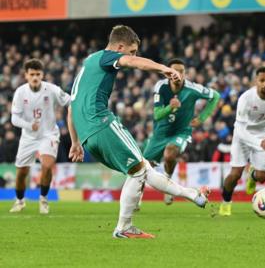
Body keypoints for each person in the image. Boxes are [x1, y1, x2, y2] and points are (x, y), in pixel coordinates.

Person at [68, 25, 210, 239]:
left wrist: (75, 142)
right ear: (120, 46)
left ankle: (193, 195)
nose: (133, 55)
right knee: (139, 171)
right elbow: (131, 62)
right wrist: (164, 69)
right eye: (132, 50)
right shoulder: (108, 56)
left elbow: (71, 107)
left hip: (88, 136)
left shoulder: (89, 63)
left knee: (142, 169)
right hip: (102, 123)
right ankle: (123, 227)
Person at [143, 58, 220, 205]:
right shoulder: (161, 87)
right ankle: (136, 201)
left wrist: (202, 117)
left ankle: (167, 182)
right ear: (168, 73)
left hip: (181, 132)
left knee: (170, 153)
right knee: (143, 168)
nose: (178, 74)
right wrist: (170, 107)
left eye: (181, 71)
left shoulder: (192, 89)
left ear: (185, 73)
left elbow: (215, 96)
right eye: (174, 71)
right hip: (160, 134)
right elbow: (157, 114)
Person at [219, 66, 265, 216]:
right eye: (262, 80)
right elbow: (240, 130)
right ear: (255, 81)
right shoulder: (246, 99)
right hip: (243, 136)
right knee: (235, 174)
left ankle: (252, 175)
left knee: (263, 177)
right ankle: (226, 203)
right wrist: (259, 144)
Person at [9, 59, 71, 214]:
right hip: (28, 137)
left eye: (38, 74)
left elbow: (70, 101)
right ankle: (20, 201)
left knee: (47, 165)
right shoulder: (20, 92)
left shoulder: (52, 89)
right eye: (32, 74)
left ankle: (43, 199)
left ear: (42, 74)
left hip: (48, 134)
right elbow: (14, 119)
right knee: (22, 172)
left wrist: (72, 113)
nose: (35, 77)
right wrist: (29, 125)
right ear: (26, 75)